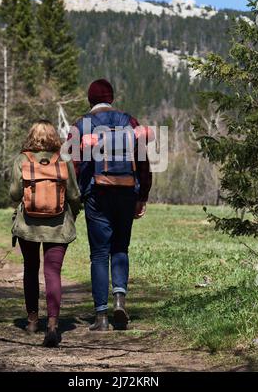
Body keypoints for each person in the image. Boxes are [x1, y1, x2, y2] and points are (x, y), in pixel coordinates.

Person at [69, 79, 152, 331]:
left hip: (96, 194)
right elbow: (144, 162)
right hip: (127, 191)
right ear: (112, 98)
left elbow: (73, 164)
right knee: (120, 248)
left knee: (98, 254)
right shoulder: (130, 121)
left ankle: (101, 317)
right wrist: (143, 195)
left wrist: (75, 197)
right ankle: (119, 299)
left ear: (90, 100)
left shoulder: (80, 125)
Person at [10, 119, 81, 347]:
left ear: (31, 136)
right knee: (53, 273)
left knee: (30, 269)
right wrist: (74, 215)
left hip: (28, 227)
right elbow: (74, 195)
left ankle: (32, 320)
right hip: (59, 226)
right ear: (53, 136)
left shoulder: (22, 159)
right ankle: (52, 324)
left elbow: (13, 194)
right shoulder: (64, 159)